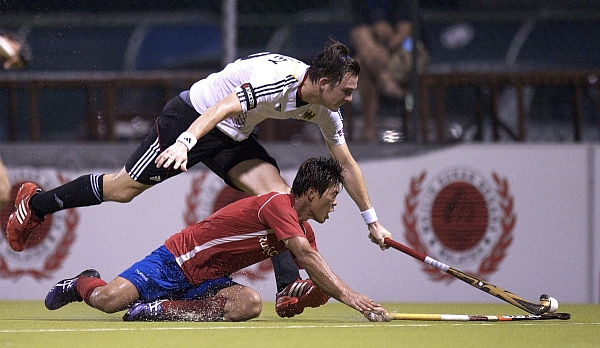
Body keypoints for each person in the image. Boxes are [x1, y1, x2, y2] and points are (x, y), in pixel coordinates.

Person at [6, 39, 392, 317]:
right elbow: (223, 107)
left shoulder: (325, 110)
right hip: (193, 116)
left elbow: (346, 164)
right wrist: (186, 142)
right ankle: (35, 204)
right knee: (122, 189)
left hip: (233, 136)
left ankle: (287, 287)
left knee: (279, 198)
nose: (350, 100)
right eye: (346, 92)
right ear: (323, 83)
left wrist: (371, 220)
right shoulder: (279, 80)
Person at [44, 158, 389, 322]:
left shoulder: (303, 231)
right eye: (332, 194)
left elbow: (312, 275)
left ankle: (162, 310)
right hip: (176, 261)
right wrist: (355, 299)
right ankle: (81, 282)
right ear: (311, 193)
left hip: (209, 280)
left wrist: (304, 294)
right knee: (107, 300)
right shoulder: (277, 205)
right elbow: (309, 259)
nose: (335, 202)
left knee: (249, 304)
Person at [350, 0, 428, 142]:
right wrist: (376, 33)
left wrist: (383, 38)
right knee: (360, 37)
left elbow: (404, 33)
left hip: (409, 50)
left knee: (363, 64)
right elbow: (360, 36)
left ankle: (369, 130)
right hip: (378, 57)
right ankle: (385, 80)